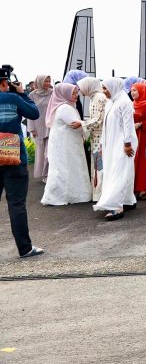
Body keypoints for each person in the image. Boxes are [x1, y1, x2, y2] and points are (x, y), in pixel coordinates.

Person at [0, 67, 44, 258]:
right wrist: (22, 93)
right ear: (4, 83)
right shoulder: (13, 98)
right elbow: (34, 113)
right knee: (16, 203)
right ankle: (24, 248)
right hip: (11, 153)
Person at [40, 83, 91, 206]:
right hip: (67, 145)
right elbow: (75, 124)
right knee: (66, 168)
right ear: (64, 94)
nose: (76, 96)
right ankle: (63, 196)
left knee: (65, 168)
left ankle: (63, 195)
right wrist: (90, 124)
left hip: (65, 143)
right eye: (73, 93)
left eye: (76, 93)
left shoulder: (63, 107)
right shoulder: (65, 108)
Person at [94, 78, 137, 221]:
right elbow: (106, 126)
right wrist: (102, 145)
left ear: (114, 87)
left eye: (106, 88)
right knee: (121, 171)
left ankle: (117, 207)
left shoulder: (124, 103)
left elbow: (128, 125)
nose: (104, 91)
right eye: (103, 88)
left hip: (123, 144)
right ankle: (127, 200)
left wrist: (127, 144)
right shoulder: (111, 102)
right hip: (112, 144)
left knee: (119, 171)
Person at [78, 77, 107, 202]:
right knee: (97, 165)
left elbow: (99, 120)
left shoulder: (99, 97)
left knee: (99, 166)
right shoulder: (94, 97)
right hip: (96, 136)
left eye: (81, 86)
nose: (80, 90)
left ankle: (101, 195)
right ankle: (98, 195)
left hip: (100, 137)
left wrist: (82, 124)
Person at [27, 75, 52, 182]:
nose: (47, 83)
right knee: (41, 152)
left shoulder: (52, 93)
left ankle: (49, 174)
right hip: (37, 126)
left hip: (50, 125)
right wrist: (32, 128)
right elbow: (29, 111)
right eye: (45, 81)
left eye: (49, 81)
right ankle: (42, 174)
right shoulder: (32, 95)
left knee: (49, 152)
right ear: (40, 82)